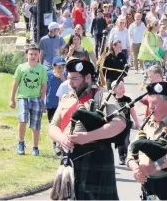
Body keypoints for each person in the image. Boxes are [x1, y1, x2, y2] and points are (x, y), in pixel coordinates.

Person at [49, 58, 126, 200]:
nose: (71, 83)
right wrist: (62, 139)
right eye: (70, 78)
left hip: (96, 157)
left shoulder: (102, 96)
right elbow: (53, 126)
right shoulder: (66, 97)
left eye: (75, 79)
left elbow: (119, 124)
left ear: (88, 77)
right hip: (69, 158)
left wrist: (88, 136)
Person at [9, 45, 48, 156]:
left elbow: (44, 86)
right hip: (23, 98)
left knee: (36, 124)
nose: (33, 56)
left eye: (35, 54)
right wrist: (12, 99)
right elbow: (15, 83)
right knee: (23, 121)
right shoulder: (21, 67)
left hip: (36, 99)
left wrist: (42, 100)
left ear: (39, 55)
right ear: (26, 55)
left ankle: (35, 147)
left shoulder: (42, 69)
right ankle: (21, 143)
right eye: (31, 54)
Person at [113, 80, 141, 165]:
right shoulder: (112, 99)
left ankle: (127, 156)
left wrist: (136, 122)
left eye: (123, 87)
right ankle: (122, 157)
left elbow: (133, 111)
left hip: (126, 124)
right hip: (116, 124)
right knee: (119, 141)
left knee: (126, 140)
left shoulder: (127, 99)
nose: (123, 89)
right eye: (120, 87)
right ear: (114, 89)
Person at [46, 56, 67, 123]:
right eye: (59, 67)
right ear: (53, 66)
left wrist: (63, 79)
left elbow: (69, 89)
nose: (61, 69)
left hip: (63, 105)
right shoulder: (48, 75)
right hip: (51, 104)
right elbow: (44, 89)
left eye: (63, 67)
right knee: (52, 123)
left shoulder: (66, 75)